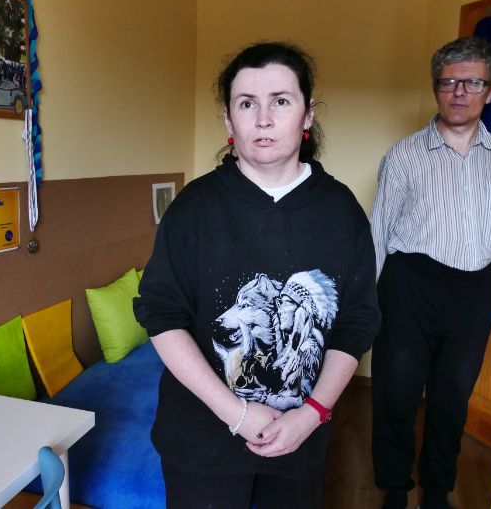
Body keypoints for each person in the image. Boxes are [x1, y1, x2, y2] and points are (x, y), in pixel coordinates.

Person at [133, 42, 381, 508]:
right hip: (201, 445)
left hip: (299, 441)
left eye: (280, 101)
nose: (263, 119)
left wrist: (312, 413)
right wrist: (238, 413)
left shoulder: (341, 211)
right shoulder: (194, 207)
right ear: (229, 121)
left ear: (308, 114)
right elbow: (161, 316)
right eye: (247, 104)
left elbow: (357, 322)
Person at [370, 36, 491, 509]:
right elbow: (377, 234)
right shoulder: (403, 155)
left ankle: (437, 489)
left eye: (472, 82)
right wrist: (362, 312)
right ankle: (394, 487)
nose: (459, 92)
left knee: (451, 400)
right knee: (396, 395)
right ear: (436, 89)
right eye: (448, 82)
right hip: (409, 287)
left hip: (473, 294)